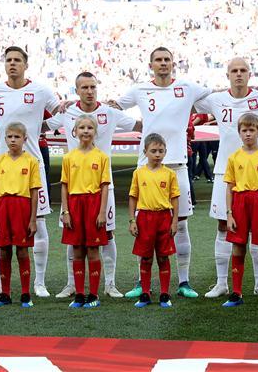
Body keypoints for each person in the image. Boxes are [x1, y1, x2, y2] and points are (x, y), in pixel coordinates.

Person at [113, 46, 213, 299]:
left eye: (167, 59)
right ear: (151, 65)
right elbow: (115, 107)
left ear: (173, 63)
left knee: (180, 225)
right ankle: (141, 282)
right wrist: (136, 124)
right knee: (145, 225)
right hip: (146, 166)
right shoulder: (140, 90)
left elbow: (218, 96)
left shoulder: (187, 88)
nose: (163, 63)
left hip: (177, 164)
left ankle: (184, 282)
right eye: (158, 60)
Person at [0, 46, 67, 298]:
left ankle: (39, 283)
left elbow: (62, 112)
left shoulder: (40, 90)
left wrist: (43, 127)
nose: (12, 64)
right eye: (8, 60)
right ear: (4, 64)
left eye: (17, 60)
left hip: (33, 165)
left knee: (38, 222)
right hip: (3, 166)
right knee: (0, 228)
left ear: (26, 65)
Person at [47, 72, 141, 299]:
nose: (89, 91)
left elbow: (139, 124)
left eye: (93, 87)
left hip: (102, 186)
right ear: (76, 90)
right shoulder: (67, 111)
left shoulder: (109, 111)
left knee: (107, 233)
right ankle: (72, 284)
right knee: (73, 236)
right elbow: (41, 126)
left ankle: (110, 284)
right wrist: (56, 106)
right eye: (85, 87)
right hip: (75, 186)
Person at [194, 57, 258, 299]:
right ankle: (222, 283)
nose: (239, 74)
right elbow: (188, 103)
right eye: (234, 71)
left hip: (257, 174)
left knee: (257, 229)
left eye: (243, 70)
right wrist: (214, 90)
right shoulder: (216, 99)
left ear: (250, 74)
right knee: (223, 226)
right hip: (224, 170)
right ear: (227, 74)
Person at [222, 113, 258, 308]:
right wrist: (229, 214)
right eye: (244, 130)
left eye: (251, 130)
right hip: (239, 202)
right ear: (239, 133)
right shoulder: (233, 158)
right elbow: (229, 187)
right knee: (238, 247)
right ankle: (236, 292)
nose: (248, 134)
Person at [0, 122, 42, 308]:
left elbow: (35, 192)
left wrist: (33, 219)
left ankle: (26, 294)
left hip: (22, 206)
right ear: (5, 139)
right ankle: (5, 293)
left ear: (25, 139)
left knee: (22, 249)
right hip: (3, 207)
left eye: (17, 137)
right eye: (9, 136)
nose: (13, 140)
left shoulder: (31, 161)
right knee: (3, 249)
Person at [59, 115, 112, 309]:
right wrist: (65, 211)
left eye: (90, 127)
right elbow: (64, 186)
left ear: (95, 132)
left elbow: (104, 187)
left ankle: (93, 294)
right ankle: (80, 294)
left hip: (93, 204)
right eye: (82, 127)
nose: (86, 131)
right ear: (75, 132)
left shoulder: (102, 157)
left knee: (93, 250)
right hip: (74, 205)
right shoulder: (68, 157)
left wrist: (101, 212)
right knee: (77, 250)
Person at [128, 133, 180, 308]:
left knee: (163, 257)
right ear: (145, 152)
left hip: (164, 217)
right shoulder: (139, 173)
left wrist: (174, 221)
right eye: (153, 151)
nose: (157, 154)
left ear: (165, 152)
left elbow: (175, 198)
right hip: (144, 218)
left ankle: (165, 294)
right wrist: (132, 220)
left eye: (161, 151)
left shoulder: (170, 174)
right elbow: (133, 197)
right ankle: (145, 293)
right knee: (146, 258)